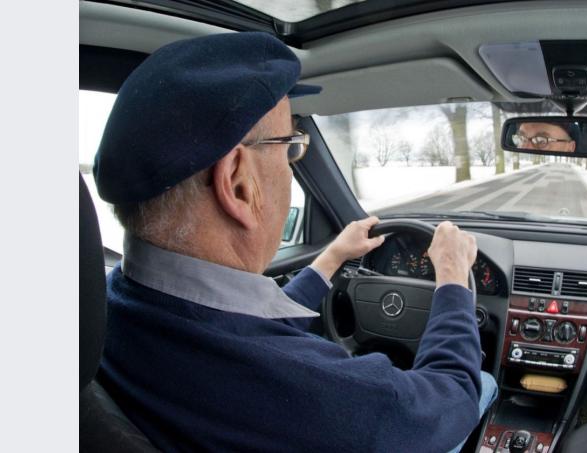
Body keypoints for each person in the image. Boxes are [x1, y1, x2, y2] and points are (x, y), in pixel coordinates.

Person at [91, 31, 497, 452]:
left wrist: (331, 258)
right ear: (239, 184)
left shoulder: (105, 308)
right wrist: (453, 278)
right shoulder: (327, 400)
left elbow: (242, 323)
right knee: (484, 382)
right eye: (289, 148)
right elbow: (451, 396)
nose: (291, 168)